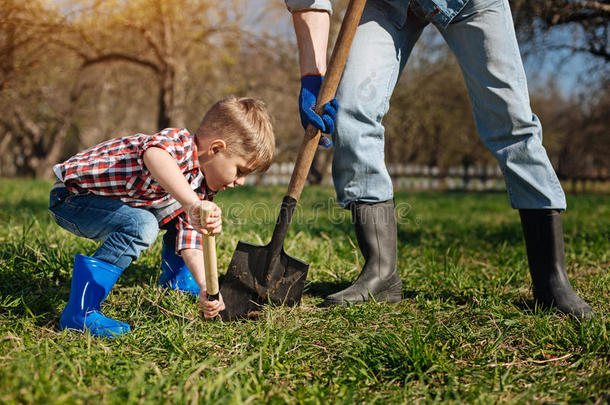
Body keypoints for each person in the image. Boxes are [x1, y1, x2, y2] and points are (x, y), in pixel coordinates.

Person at [286, 0, 593, 318]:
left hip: (472, 3)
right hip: (387, 4)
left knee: (511, 122)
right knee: (350, 112)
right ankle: (381, 273)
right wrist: (312, 74)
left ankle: (551, 280)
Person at [49, 96, 275, 337]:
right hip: (73, 198)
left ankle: (177, 283)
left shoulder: (202, 191)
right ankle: (79, 312)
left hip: (115, 205)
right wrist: (191, 204)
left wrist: (205, 285)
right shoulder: (180, 144)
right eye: (240, 170)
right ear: (216, 149)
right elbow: (154, 156)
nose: (240, 182)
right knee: (143, 225)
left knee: (178, 220)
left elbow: (190, 239)